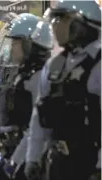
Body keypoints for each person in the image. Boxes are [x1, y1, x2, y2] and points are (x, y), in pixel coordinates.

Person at [24, 1, 101, 180]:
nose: (56, 25)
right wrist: (33, 158)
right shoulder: (54, 65)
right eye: (55, 19)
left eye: (63, 19)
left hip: (90, 164)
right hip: (57, 162)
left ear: (83, 23)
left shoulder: (98, 64)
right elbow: (39, 115)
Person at [0, 13, 54, 180]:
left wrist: (16, 161)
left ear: (30, 45)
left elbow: (38, 125)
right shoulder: (21, 75)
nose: (11, 48)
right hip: (12, 153)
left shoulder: (41, 77)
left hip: (28, 157)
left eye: (15, 43)